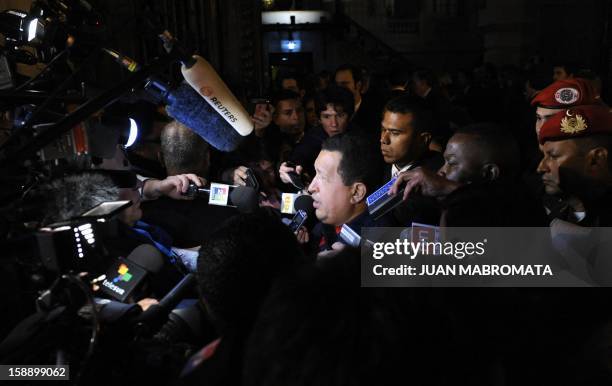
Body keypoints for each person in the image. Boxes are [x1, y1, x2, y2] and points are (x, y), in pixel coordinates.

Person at [390, 124, 547, 226]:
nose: (440, 172)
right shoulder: (442, 208)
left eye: (452, 163)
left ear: (489, 173)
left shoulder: (524, 211)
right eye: (444, 161)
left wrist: (449, 188)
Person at [307, 133, 394, 253]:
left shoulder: (381, 249)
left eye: (323, 178)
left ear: (356, 192)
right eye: (315, 173)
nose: (311, 187)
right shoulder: (324, 221)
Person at [278, 85, 355, 184]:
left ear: (349, 116)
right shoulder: (312, 138)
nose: (334, 124)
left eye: (340, 115)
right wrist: (287, 171)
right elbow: (299, 158)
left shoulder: (362, 140)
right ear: (319, 118)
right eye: (327, 116)